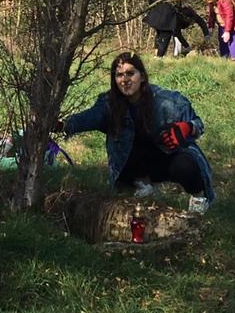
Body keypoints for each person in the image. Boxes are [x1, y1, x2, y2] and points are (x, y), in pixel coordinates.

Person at [59, 52, 215, 215]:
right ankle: (144, 190)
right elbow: (89, 118)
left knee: (186, 165)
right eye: (119, 75)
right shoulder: (108, 105)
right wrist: (63, 125)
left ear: (142, 77)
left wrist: (187, 127)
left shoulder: (166, 101)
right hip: (133, 164)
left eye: (130, 73)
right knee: (125, 166)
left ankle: (198, 200)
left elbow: (198, 124)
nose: (125, 79)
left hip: (165, 157)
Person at [144, 0, 208, 58]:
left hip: (159, 16)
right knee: (165, 36)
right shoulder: (181, 17)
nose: (192, 24)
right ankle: (159, 56)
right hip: (164, 18)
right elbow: (177, 33)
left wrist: (206, 35)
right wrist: (187, 47)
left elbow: (201, 22)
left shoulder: (183, 13)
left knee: (161, 35)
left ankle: (157, 55)